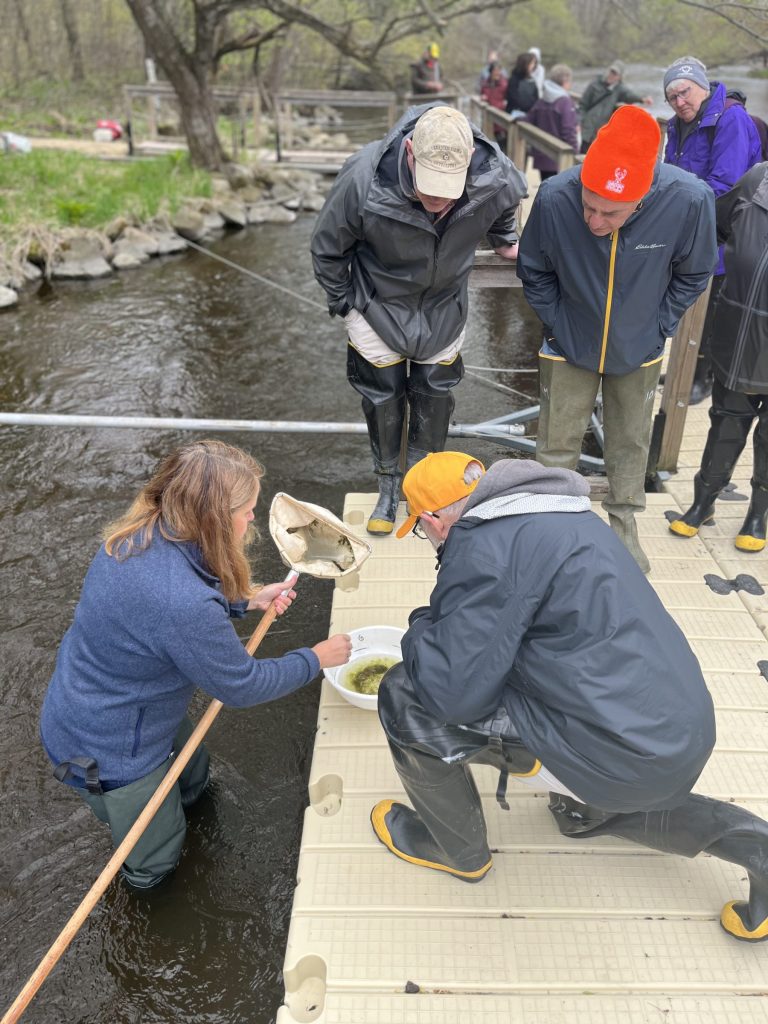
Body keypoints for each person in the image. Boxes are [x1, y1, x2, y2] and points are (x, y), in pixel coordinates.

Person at [372, 451, 768, 943]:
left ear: (433, 519)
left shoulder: (485, 547)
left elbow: (452, 695)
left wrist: (417, 630)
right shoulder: (559, 512)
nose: (426, 538)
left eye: (420, 529)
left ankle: (458, 852)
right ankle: (752, 848)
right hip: (675, 727)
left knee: (404, 694)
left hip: (622, 753)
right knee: (625, 773)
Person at [40, 440, 352, 890]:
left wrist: (246, 599)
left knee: (193, 779)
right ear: (211, 518)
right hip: (108, 745)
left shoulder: (141, 532)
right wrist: (315, 659)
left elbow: (166, 605)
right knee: (156, 856)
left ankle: (184, 802)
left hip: (125, 704)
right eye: (245, 511)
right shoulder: (180, 603)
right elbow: (241, 686)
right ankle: (151, 900)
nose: (251, 520)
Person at [516, 105, 717, 573]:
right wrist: (558, 324)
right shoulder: (553, 195)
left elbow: (695, 273)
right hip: (568, 345)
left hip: (639, 348)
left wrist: (659, 326)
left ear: (643, 196)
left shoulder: (689, 201)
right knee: (556, 444)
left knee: (629, 444)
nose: (594, 221)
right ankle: (551, 532)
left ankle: (624, 528)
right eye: (588, 205)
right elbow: (534, 270)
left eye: (611, 213)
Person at [311, 104, 526, 536]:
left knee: (434, 397)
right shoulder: (363, 178)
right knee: (382, 398)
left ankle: (420, 489)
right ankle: (388, 488)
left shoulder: (496, 175)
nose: (439, 200)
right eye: (430, 187)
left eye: (449, 189)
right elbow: (327, 248)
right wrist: (346, 305)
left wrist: (505, 239)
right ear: (410, 152)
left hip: (445, 307)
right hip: (376, 304)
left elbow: (506, 206)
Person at [669, 161, 768, 549]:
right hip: (739, 332)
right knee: (726, 423)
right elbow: (717, 222)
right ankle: (703, 502)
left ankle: (758, 513)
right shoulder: (758, 179)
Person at [663, 56, 762, 404]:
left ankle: (702, 376)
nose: (679, 101)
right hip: (690, 224)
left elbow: (727, 184)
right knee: (690, 298)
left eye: (684, 92)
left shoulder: (730, 119)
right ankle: (686, 366)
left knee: (713, 306)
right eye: (672, 96)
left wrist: (677, 207)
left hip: (725, 229)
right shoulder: (676, 125)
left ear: (702, 86)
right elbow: (669, 171)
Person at [579, 60, 652, 152]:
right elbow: (583, 104)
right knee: (582, 156)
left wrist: (642, 99)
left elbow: (629, 95)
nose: (611, 75)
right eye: (611, 71)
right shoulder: (594, 84)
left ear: (620, 77)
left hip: (601, 132)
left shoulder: (619, 89)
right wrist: (580, 121)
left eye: (615, 73)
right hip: (587, 128)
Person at [522, 64, 579, 180]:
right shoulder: (565, 102)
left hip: (542, 155)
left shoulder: (543, 99)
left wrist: (516, 118)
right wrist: (576, 153)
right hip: (559, 159)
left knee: (545, 188)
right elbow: (568, 131)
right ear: (565, 81)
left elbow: (529, 119)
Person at [480, 60, 509, 148]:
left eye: (499, 71)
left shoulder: (504, 84)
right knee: (487, 141)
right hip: (488, 116)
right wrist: (483, 97)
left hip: (500, 117)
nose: (497, 73)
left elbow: (508, 98)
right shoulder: (486, 83)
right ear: (491, 72)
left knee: (501, 143)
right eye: (495, 71)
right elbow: (482, 94)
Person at [504, 52, 539, 118]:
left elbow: (536, 98)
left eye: (534, 63)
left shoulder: (532, 80)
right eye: (531, 63)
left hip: (529, 115)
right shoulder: (514, 80)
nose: (533, 65)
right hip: (515, 114)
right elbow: (513, 99)